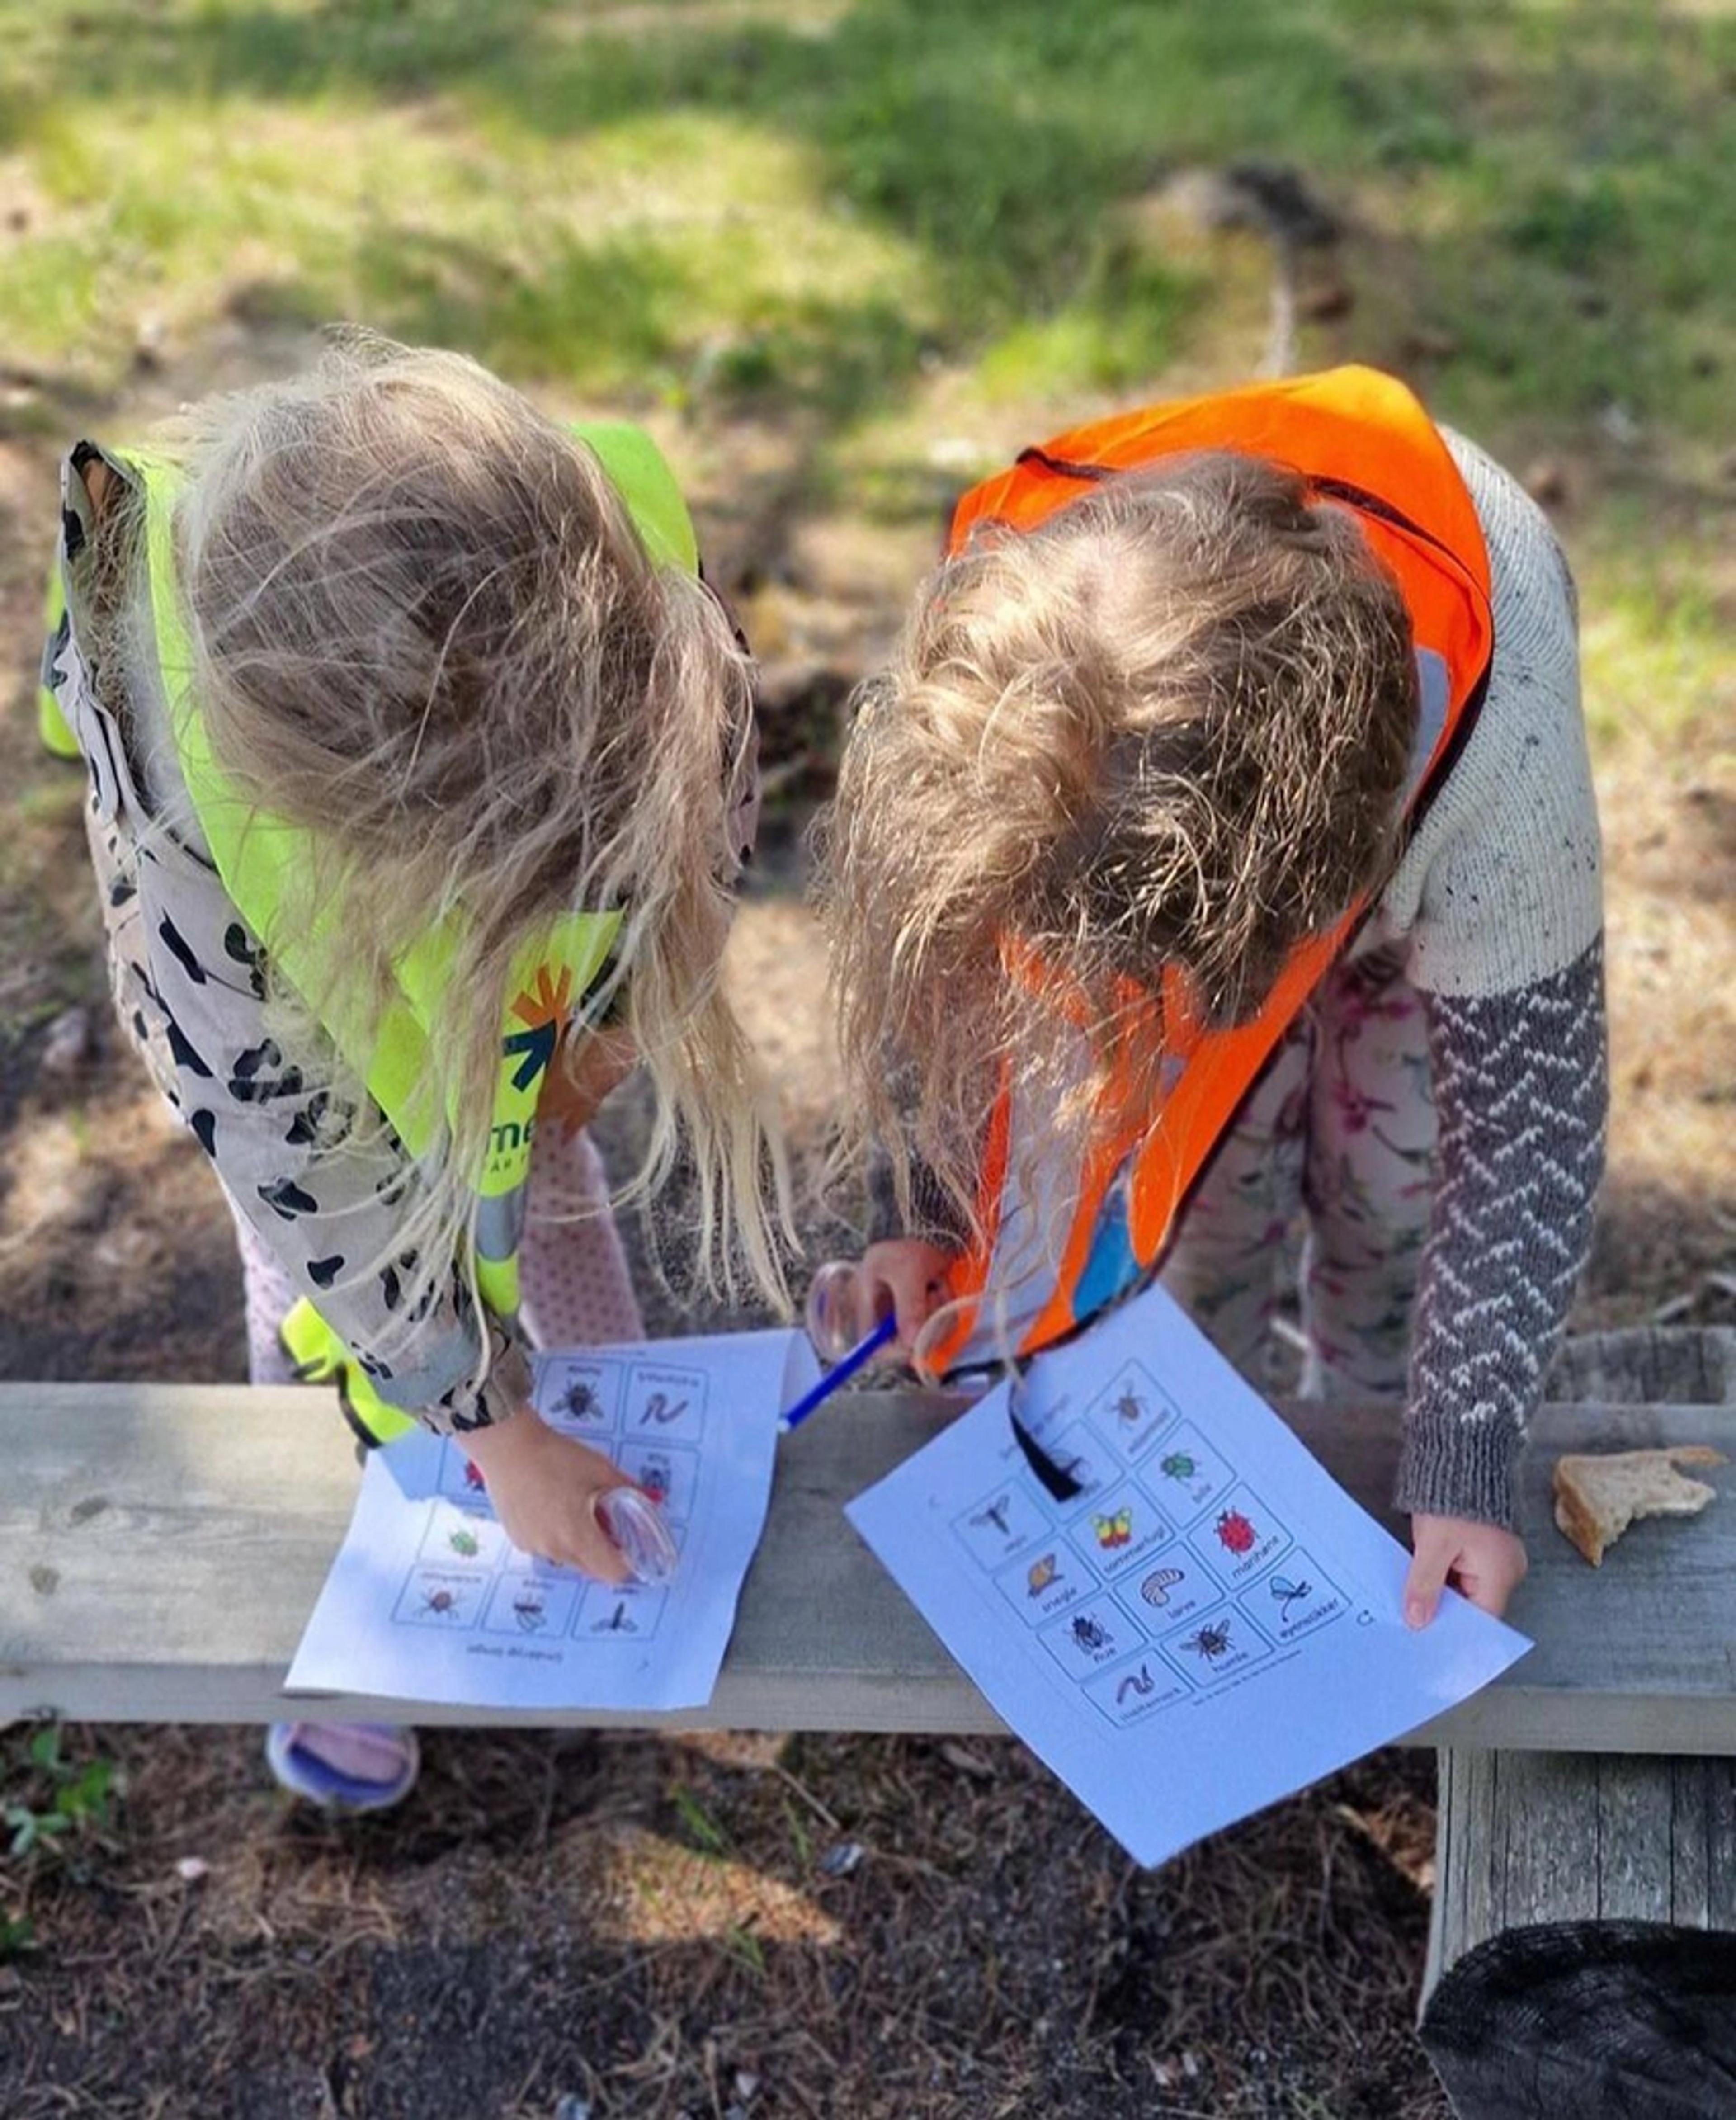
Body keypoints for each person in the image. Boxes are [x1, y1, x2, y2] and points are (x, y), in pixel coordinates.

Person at [40, 335, 783, 1803]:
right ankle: (365, 1614)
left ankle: (620, 1501)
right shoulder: (180, 806)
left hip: (492, 971)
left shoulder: (617, 559)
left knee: (543, 1185)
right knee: (323, 1301)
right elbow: (305, 1171)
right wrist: (491, 1426)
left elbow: (713, 792)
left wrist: (610, 1024)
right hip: (302, 1051)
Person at [815, 365, 1605, 1627]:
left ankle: (1367, 1450)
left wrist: (1460, 1459)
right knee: (1208, 1207)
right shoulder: (1005, 645)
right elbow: (953, 968)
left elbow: (1526, 1130)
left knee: (1394, 1199)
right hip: (1202, 855)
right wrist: (926, 1208)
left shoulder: (1505, 749)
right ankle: (1200, 1429)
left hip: (1419, 844)